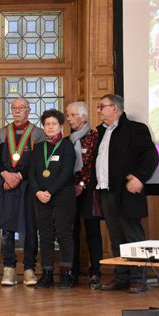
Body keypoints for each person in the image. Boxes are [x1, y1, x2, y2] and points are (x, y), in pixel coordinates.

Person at [91, 94, 159, 293]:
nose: (99, 110)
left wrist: (139, 177)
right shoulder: (102, 132)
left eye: (101, 106)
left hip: (127, 192)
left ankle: (138, 278)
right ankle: (121, 277)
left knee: (133, 237)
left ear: (115, 108)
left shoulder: (135, 129)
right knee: (116, 237)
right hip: (106, 192)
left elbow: (151, 155)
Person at [0, 97, 44, 287]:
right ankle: (8, 268)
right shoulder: (3, 132)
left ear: (28, 110)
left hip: (27, 186)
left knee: (29, 229)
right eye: (14, 108)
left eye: (21, 108)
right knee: (7, 228)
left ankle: (28, 269)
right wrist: (6, 176)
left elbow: (37, 161)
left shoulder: (37, 133)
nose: (17, 111)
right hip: (5, 184)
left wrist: (17, 176)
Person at [29, 109, 76, 289]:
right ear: (43, 127)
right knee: (45, 235)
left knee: (64, 234)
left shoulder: (67, 146)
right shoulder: (39, 147)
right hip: (40, 197)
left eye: (54, 124)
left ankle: (66, 273)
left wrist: (49, 191)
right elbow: (32, 174)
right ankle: (47, 273)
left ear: (60, 126)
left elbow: (66, 173)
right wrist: (37, 192)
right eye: (47, 124)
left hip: (62, 195)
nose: (50, 127)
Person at [65, 101, 103, 289]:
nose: (69, 119)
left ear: (84, 117)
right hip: (69, 192)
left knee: (92, 231)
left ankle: (95, 272)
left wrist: (81, 184)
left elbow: (93, 166)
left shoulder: (95, 138)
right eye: (68, 115)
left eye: (72, 115)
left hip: (90, 191)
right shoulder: (67, 140)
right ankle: (72, 272)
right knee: (71, 232)